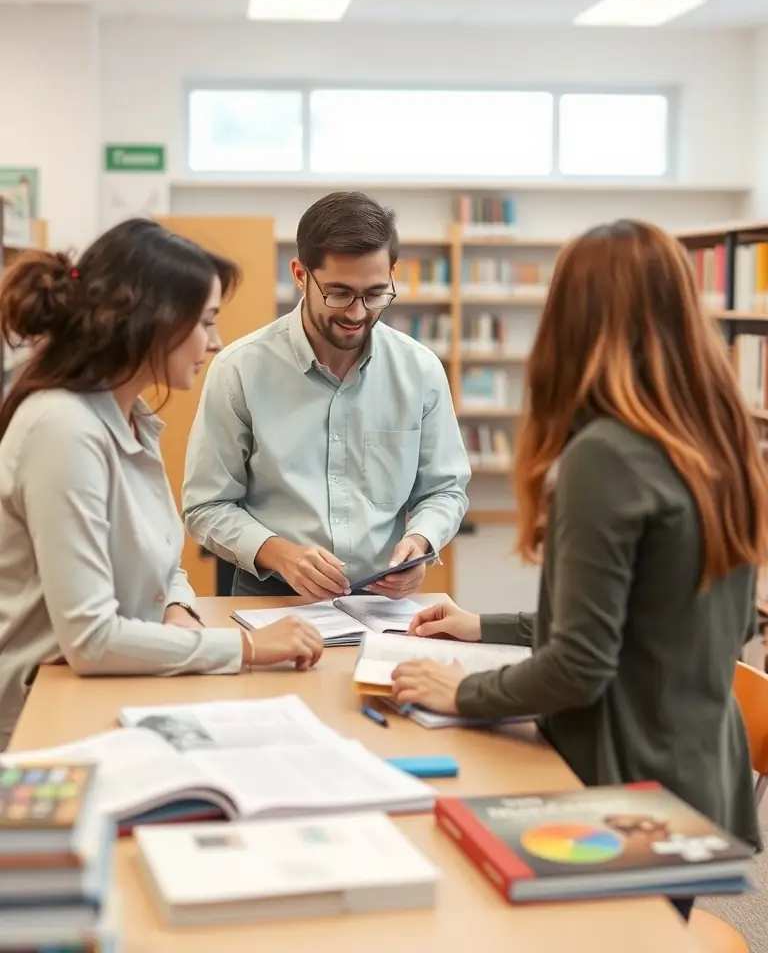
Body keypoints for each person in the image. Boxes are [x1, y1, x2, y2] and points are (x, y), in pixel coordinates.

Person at [391, 219, 765, 920]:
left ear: (574, 319)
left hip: (621, 796)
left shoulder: (606, 455)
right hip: (700, 784)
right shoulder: (721, 442)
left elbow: (582, 666)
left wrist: (462, 693)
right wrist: (484, 627)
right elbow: (657, 623)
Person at [0, 219, 323, 751]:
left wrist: (177, 608)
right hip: (41, 722)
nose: (216, 342)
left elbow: (163, 563)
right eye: (206, 321)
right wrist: (244, 647)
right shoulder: (63, 429)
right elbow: (91, 639)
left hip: (113, 693)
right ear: (152, 321)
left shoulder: (131, 416)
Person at [182, 191, 470, 601]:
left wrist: (421, 542)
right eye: (338, 293)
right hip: (271, 597)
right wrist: (278, 554)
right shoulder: (239, 369)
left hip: (382, 603)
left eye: (374, 294)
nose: (356, 313)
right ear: (300, 275)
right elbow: (205, 506)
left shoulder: (419, 370)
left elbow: (445, 489)